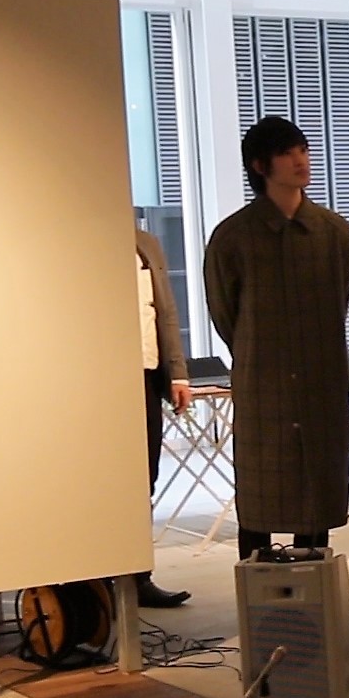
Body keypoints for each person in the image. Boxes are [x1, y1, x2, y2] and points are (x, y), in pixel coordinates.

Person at [203, 116, 349, 561]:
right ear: (260, 165)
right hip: (263, 387)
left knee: (317, 502)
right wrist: (258, 351)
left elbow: (338, 302)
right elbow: (225, 314)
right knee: (259, 503)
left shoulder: (333, 232)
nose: (300, 160)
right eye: (287, 153)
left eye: (303, 150)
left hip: (321, 382)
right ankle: (258, 598)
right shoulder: (233, 237)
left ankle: (316, 599)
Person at [134, 227, 193, 608]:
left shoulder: (146, 243)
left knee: (145, 478)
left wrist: (178, 374)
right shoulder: (79, 241)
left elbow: (165, 311)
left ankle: (139, 577)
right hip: (101, 378)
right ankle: (98, 582)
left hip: (147, 374)